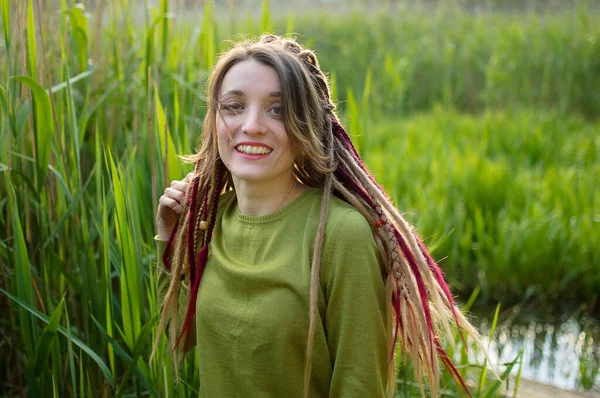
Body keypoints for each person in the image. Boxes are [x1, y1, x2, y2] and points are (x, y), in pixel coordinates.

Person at [151, 35, 479, 398]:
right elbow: (179, 336)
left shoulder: (341, 234)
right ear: (215, 119)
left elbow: (359, 385)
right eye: (234, 106)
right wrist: (170, 234)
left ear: (306, 125)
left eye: (277, 110)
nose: (252, 125)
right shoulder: (211, 220)